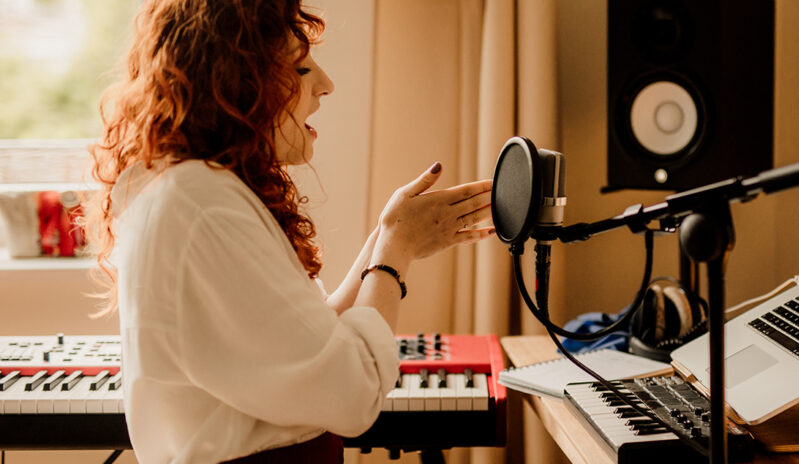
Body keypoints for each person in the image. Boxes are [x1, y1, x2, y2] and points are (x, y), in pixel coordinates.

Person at [84, 1, 493, 462]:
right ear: (237, 81)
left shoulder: (193, 190)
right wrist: (395, 251)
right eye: (301, 69)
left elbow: (310, 342)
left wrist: (387, 236)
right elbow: (351, 394)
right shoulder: (202, 207)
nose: (326, 85)